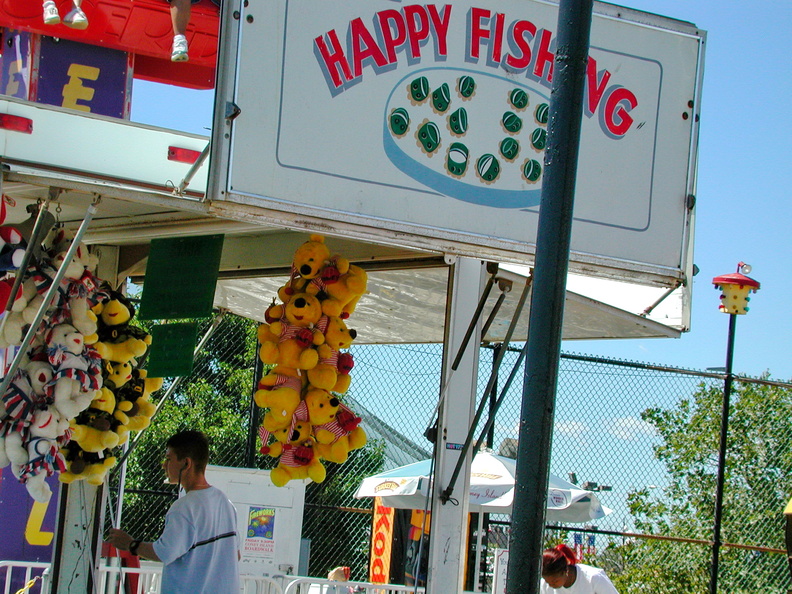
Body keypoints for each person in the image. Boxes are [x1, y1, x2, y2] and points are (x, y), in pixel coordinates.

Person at [108, 430, 240, 593]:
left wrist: (130, 544)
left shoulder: (184, 507)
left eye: (169, 459)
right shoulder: (225, 502)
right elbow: (236, 555)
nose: (164, 465)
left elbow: (164, 552)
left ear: (186, 463)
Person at [540, 544, 618, 593]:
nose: (550, 585)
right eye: (547, 582)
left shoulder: (594, 578)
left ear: (565, 571)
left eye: (555, 581)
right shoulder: (544, 586)